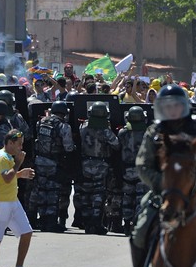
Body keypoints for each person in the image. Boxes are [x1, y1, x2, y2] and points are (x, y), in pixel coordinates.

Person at [120, 85, 196, 267]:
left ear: (184, 106)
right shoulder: (155, 131)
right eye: (168, 106)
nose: (173, 110)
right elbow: (143, 164)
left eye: (176, 105)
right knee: (140, 230)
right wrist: (165, 185)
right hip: (165, 193)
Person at [0, 129, 37, 267]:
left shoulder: (8, 157)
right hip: (1, 202)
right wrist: (19, 164)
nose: (21, 147)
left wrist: (20, 173)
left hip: (12, 201)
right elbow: (7, 178)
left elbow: (10, 174)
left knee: (27, 232)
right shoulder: (2, 157)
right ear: (9, 143)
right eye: (18, 144)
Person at [31, 101, 75, 232]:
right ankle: (50, 221)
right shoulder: (63, 126)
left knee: (41, 190)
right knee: (53, 192)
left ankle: (41, 219)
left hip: (39, 161)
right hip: (53, 163)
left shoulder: (41, 122)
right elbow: (68, 147)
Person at [78, 101, 120, 235]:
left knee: (86, 193)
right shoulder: (105, 131)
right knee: (99, 194)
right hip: (101, 165)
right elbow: (116, 144)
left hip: (85, 164)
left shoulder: (83, 127)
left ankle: (86, 222)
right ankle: (96, 222)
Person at [117, 106, 150, 236]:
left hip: (127, 170)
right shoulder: (148, 133)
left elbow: (117, 149)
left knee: (127, 198)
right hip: (142, 171)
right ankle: (137, 225)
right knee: (140, 199)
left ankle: (126, 224)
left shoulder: (122, 133)